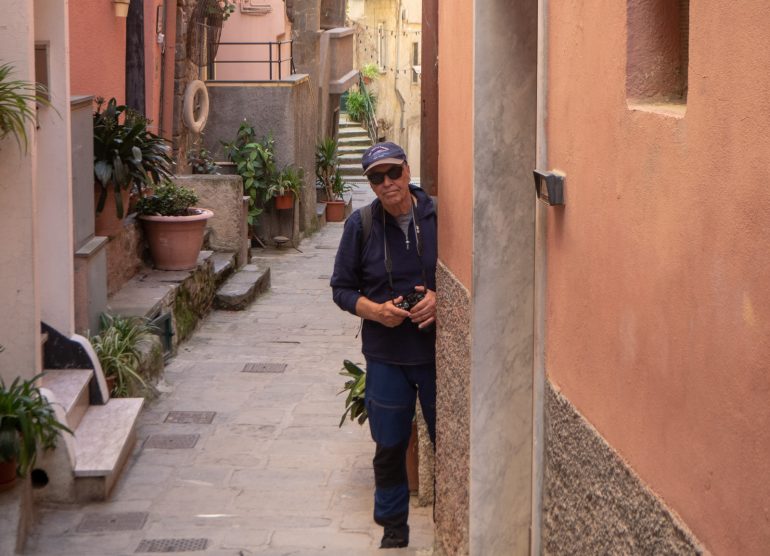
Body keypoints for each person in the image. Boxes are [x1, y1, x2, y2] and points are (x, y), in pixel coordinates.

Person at [331, 142, 437, 549]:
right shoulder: (360, 225)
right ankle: (394, 529)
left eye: (393, 172)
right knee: (389, 445)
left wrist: (440, 300)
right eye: (377, 177)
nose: (387, 183)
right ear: (370, 183)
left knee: (447, 440)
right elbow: (341, 289)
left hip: (434, 356)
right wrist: (374, 311)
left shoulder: (438, 216)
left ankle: (454, 514)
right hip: (386, 356)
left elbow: (473, 267)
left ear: (407, 170)